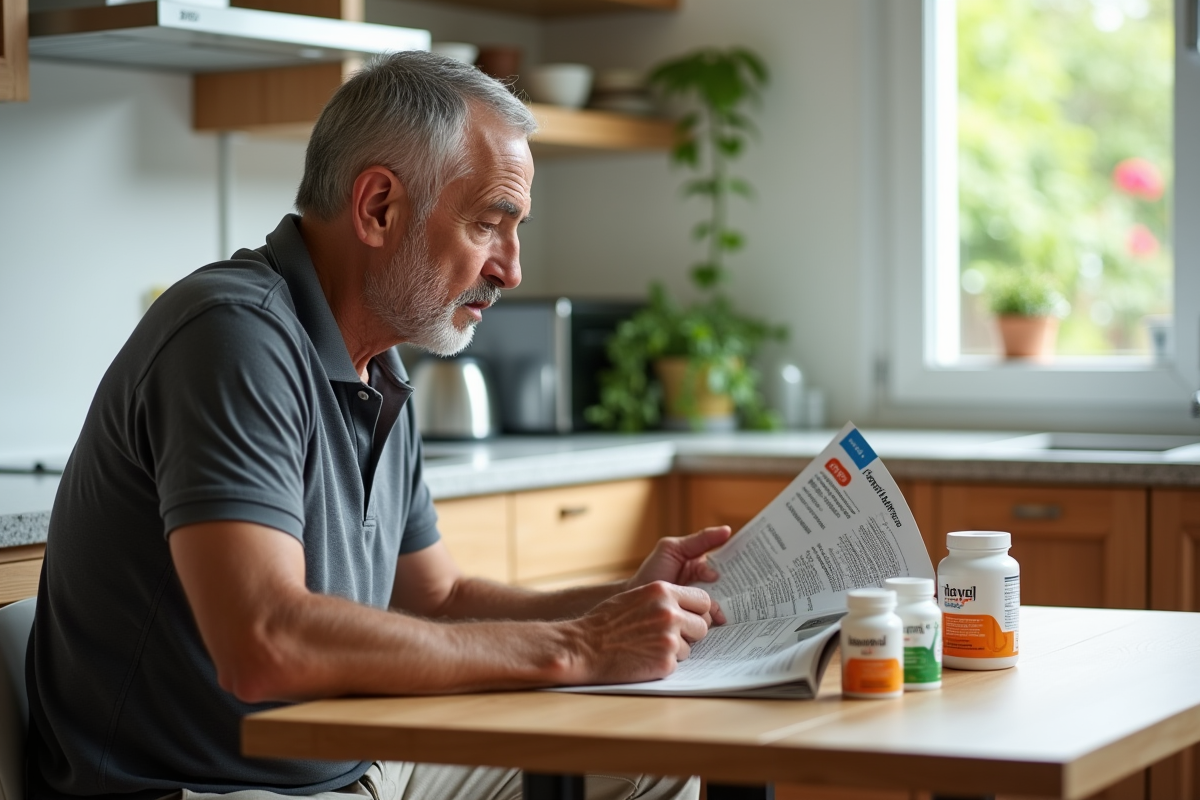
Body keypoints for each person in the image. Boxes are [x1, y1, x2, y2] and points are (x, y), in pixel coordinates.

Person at [26, 51, 733, 800]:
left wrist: (618, 604)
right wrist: (577, 646)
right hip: (211, 790)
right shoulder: (233, 336)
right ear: (378, 208)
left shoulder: (380, 368)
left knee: (654, 755)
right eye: (490, 224)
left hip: (360, 764)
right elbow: (263, 643)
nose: (512, 268)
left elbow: (438, 600)